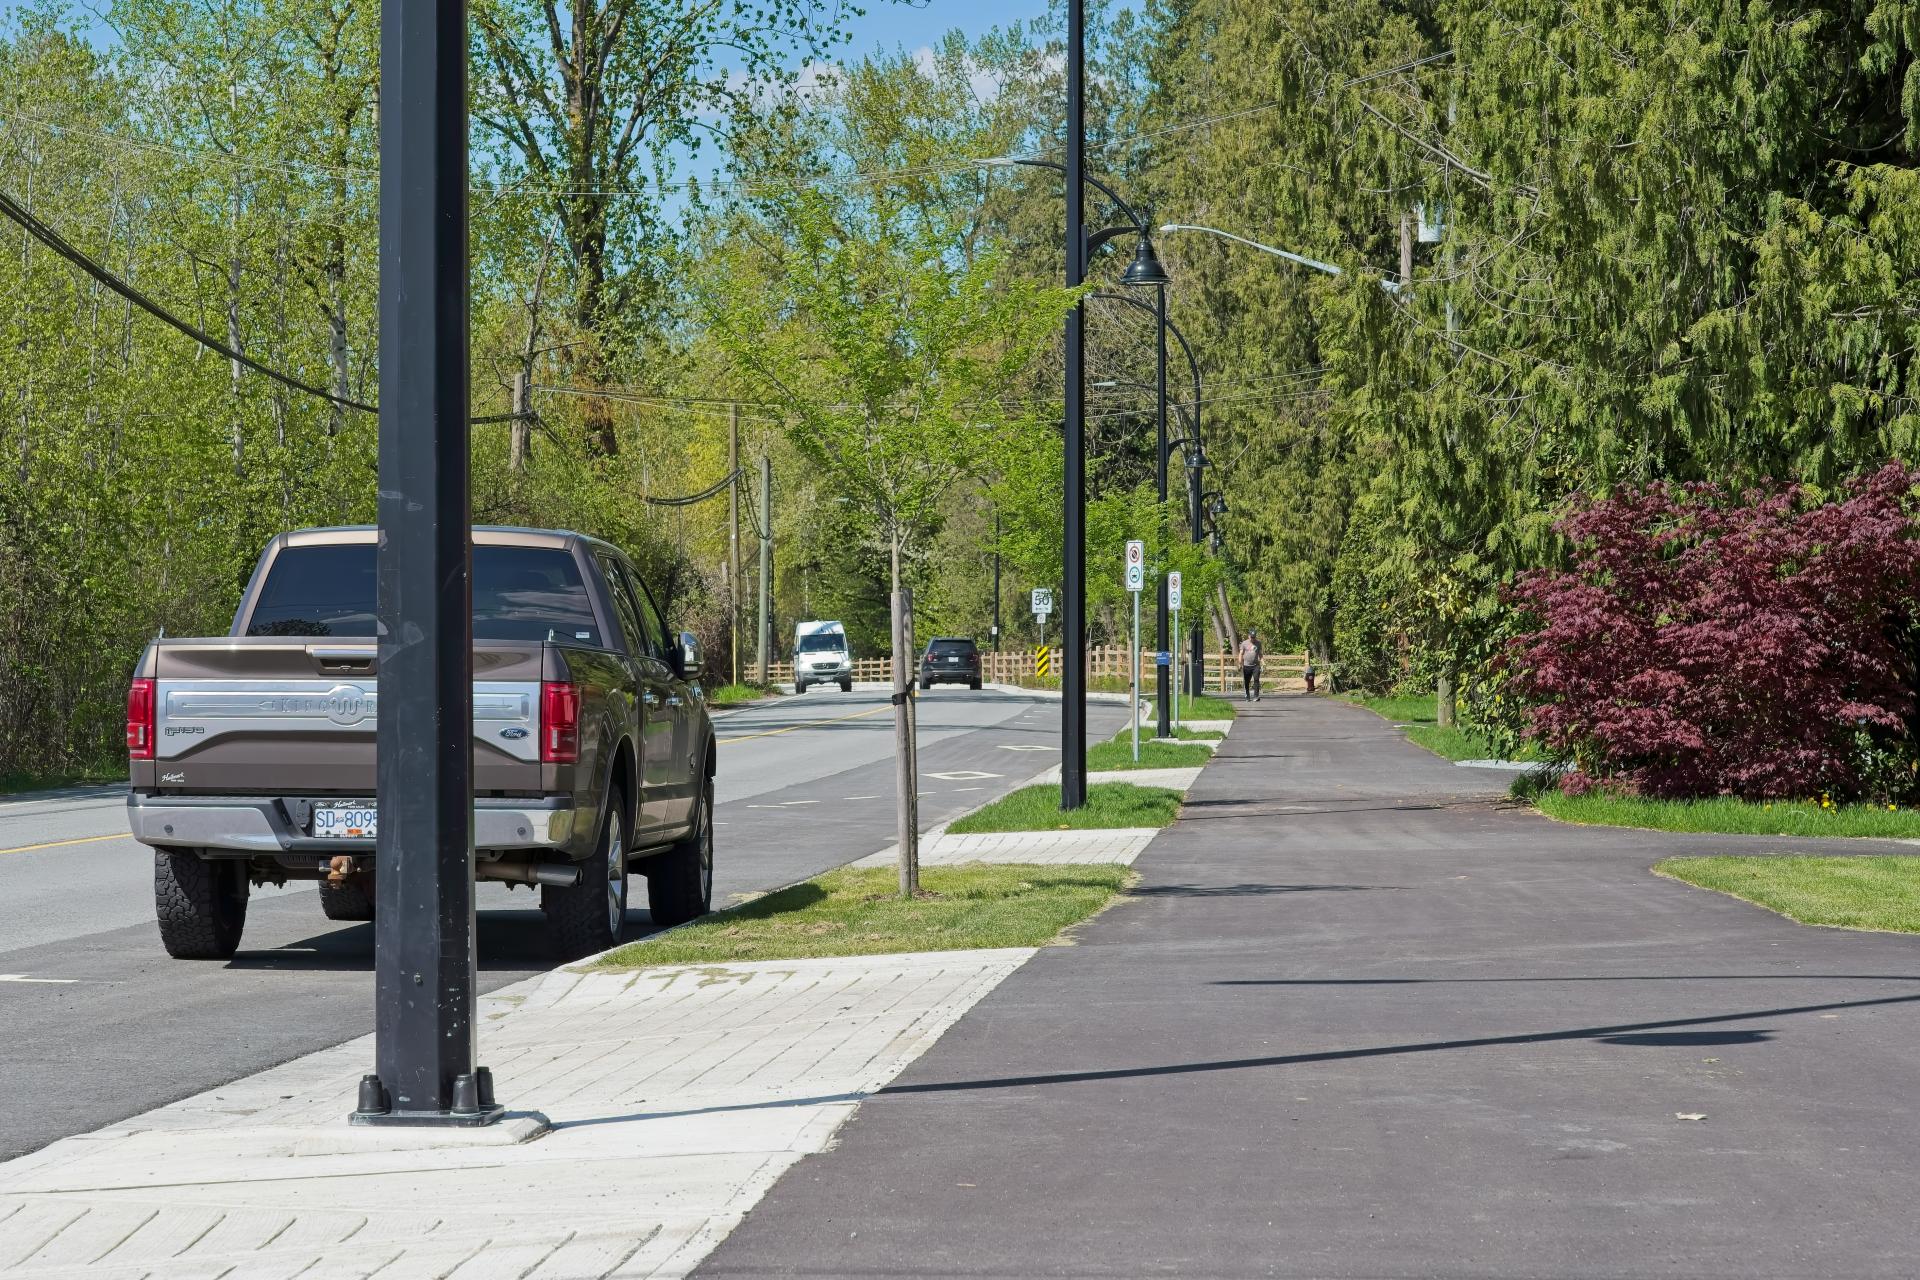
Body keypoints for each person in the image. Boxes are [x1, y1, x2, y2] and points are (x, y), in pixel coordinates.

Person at [1239, 631, 1262, 701]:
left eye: (1254, 637)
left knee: (1256, 679)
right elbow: (1241, 654)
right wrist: (1240, 663)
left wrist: (1263, 662)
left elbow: (1260, 654)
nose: (1253, 638)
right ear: (1248, 636)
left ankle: (1256, 696)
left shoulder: (1258, 643)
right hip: (1246, 665)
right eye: (1252, 637)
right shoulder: (1244, 643)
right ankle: (1247, 696)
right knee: (1247, 681)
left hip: (1256, 665)